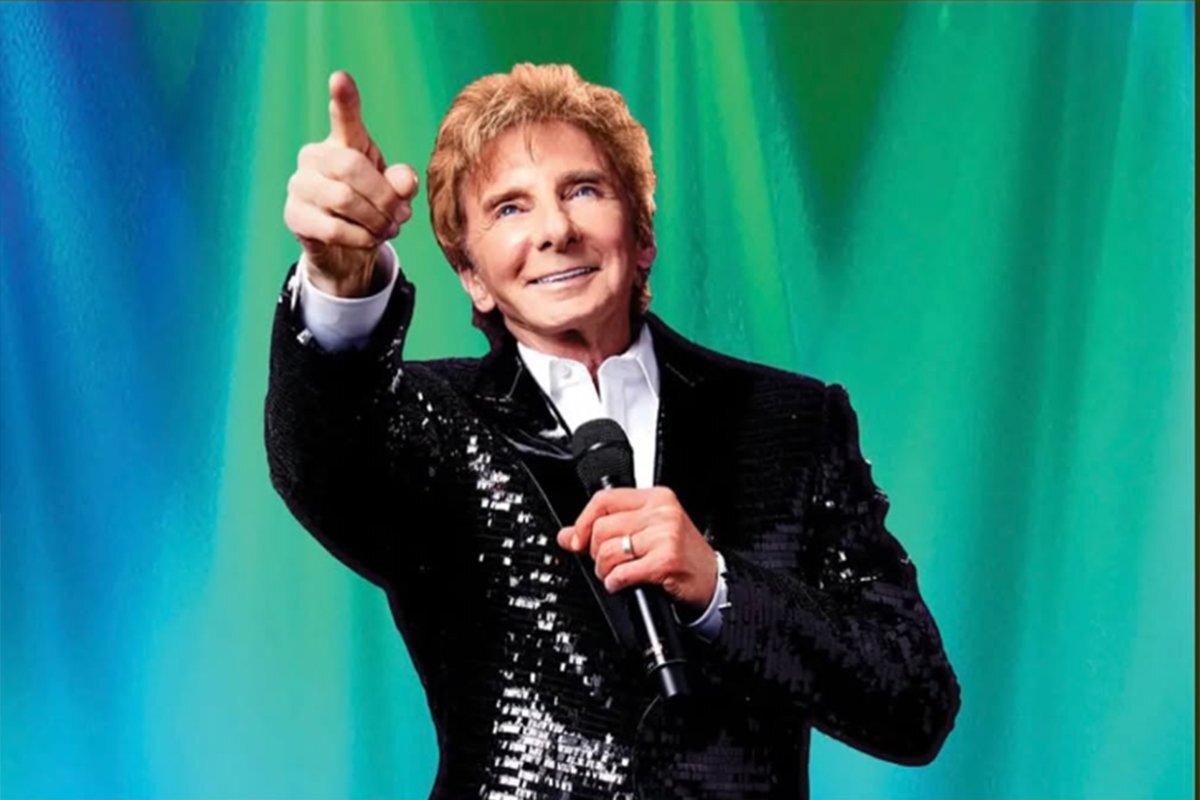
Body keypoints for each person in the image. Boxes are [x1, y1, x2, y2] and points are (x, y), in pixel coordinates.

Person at [266, 63, 959, 800]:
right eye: (510, 208)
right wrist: (339, 282)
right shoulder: (428, 421)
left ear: (643, 234)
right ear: (472, 276)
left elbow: (913, 700)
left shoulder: (791, 420)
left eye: (583, 191)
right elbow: (318, 454)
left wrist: (719, 587)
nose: (555, 230)